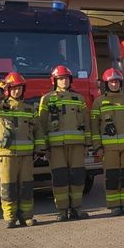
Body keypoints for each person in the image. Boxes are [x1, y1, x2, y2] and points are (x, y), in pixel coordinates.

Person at [0, 72, 44, 228]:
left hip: (26, 156)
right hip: (6, 155)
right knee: (8, 187)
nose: (16, 91)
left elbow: (38, 130)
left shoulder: (29, 109)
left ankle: (27, 216)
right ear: (7, 90)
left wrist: (40, 148)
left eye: (19, 88)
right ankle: (10, 218)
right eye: (13, 88)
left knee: (26, 187)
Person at [39, 65, 92, 220]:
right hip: (55, 148)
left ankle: (76, 208)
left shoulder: (79, 99)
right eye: (61, 79)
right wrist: (43, 147)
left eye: (66, 78)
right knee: (60, 178)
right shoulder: (46, 99)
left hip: (77, 146)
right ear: (54, 81)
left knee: (77, 177)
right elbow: (41, 125)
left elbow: (86, 123)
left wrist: (87, 144)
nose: (64, 81)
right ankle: (62, 211)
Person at [90, 68, 124, 216]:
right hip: (108, 149)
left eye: (117, 82)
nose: (114, 84)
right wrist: (97, 147)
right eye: (111, 82)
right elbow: (94, 128)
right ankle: (114, 206)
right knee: (111, 177)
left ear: (121, 83)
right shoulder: (99, 102)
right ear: (106, 84)